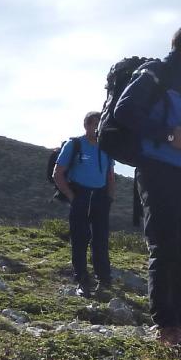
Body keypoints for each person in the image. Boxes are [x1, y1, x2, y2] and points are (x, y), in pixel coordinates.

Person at [113, 24, 181, 356]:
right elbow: (124, 111)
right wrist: (170, 134)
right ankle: (166, 326)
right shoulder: (154, 73)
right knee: (165, 248)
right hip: (157, 170)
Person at [53, 111, 116, 297]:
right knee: (80, 239)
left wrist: (109, 198)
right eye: (93, 124)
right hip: (80, 194)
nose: (96, 128)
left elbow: (110, 175)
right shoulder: (75, 144)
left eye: (99, 124)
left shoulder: (106, 148)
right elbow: (57, 173)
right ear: (86, 125)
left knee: (101, 239)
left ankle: (104, 279)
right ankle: (81, 279)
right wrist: (72, 196)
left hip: (100, 197)